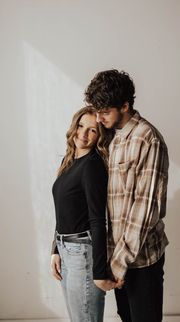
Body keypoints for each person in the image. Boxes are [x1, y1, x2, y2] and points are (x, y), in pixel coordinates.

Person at [84, 70, 169, 322]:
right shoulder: (110, 137)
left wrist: (118, 262)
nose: (99, 118)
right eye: (96, 110)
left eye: (105, 111)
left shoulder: (147, 138)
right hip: (117, 257)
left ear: (125, 105)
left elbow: (145, 209)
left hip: (141, 260)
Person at [50, 106, 116, 322]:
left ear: (99, 137)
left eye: (92, 130)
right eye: (81, 126)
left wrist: (99, 273)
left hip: (82, 255)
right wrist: (55, 250)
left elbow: (98, 221)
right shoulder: (68, 162)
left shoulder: (92, 167)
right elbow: (63, 212)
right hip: (66, 248)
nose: (83, 134)